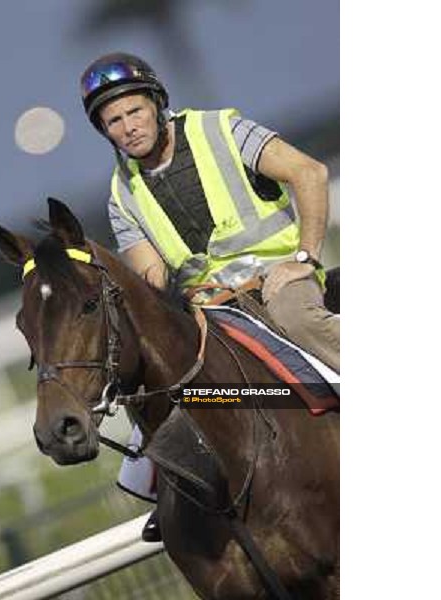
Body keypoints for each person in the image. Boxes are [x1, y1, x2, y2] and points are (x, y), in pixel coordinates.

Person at [80, 52, 340, 542]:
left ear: (157, 105)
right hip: (212, 312)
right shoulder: (122, 195)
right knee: (161, 376)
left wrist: (303, 257)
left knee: (296, 316)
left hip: (279, 282)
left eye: (134, 111)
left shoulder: (222, 128)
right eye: (114, 121)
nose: (128, 126)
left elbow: (310, 173)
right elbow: (152, 278)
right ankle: (174, 493)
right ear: (105, 132)